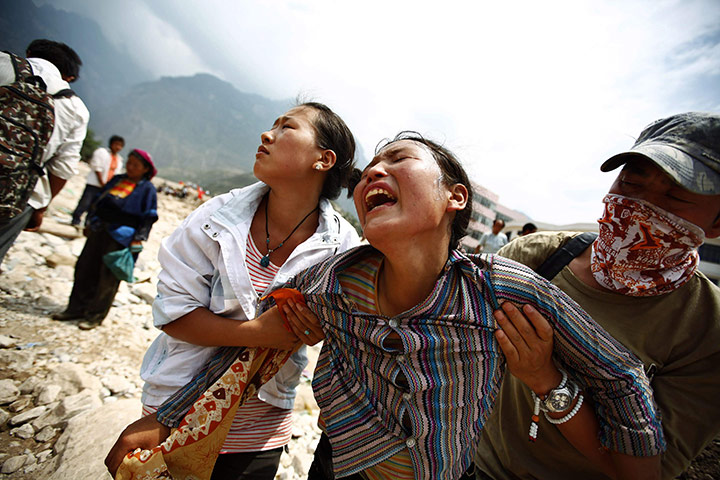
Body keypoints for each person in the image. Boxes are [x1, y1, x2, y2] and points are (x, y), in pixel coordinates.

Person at [107, 132, 665, 480]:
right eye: (369, 167)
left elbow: (619, 375)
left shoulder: (503, 290)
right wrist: (165, 418)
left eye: (398, 158)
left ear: (455, 197)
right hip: (338, 465)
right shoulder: (330, 282)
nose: (374, 171)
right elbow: (254, 349)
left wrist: (634, 468)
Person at [475, 112, 720, 479]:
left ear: (717, 223)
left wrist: (549, 381)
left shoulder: (706, 326)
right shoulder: (536, 256)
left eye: (674, 196)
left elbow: (648, 472)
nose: (641, 207)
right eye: (632, 182)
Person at [125, 103, 360, 480]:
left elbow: (341, 330)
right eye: (272, 126)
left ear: (324, 159)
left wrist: (316, 331)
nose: (267, 135)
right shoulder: (216, 217)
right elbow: (173, 312)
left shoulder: (342, 248)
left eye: (287, 128)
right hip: (174, 411)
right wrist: (260, 334)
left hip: (260, 430)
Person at [0, 39, 90, 267]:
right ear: (69, 77)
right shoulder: (76, 108)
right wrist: (40, 207)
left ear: (29, 53)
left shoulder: (4, 63)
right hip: (17, 196)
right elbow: (63, 168)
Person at [52, 149, 158, 330]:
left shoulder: (147, 189)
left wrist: (138, 238)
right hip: (99, 230)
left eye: (136, 165)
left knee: (108, 277)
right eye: (129, 163)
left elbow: (149, 216)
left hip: (121, 236)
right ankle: (75, 308)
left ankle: (94, 315)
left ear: (145, 169)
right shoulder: (118, 180)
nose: (130, 167)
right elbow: (99, 201)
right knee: (85, 268)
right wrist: (90, 221)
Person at [71, 135, 126, 227]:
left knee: (96, 206)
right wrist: (102, 182)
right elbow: (97, 167)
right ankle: (75, 220)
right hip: (94, 184)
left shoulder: (119, 159)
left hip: (106, 186)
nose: (118, 147)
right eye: (116, 144)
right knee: (85, 202)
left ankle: (88, 223)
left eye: (120, 145)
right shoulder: (102, 152)